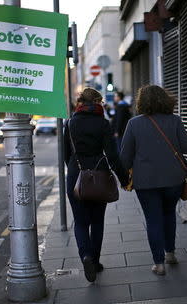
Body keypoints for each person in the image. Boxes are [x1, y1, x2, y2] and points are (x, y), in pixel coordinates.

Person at [120, 85, 187, 276]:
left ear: (141, 102)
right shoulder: (175, 121)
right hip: (174, 179)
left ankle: (159, 264)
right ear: (165, 99)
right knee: (169, 214)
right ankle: (170, 254)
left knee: (153, 220)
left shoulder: (134, 124)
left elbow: (125, 157)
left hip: (146, 182)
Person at [64, 88, 129, 282]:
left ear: (80, 102)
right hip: (99, 174)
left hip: (76, 175)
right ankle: (96, 261)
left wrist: (76, 170)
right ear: (98, 102)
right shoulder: (103, 124)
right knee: (97, 221)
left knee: (81, 222)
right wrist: (124, 179)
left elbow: (65, 154)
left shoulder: (70, 123)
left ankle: (85, 255)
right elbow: (113, 155)